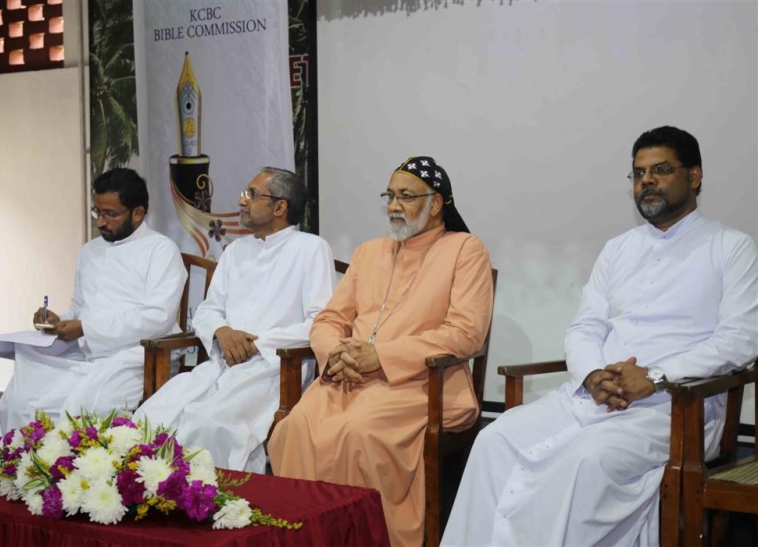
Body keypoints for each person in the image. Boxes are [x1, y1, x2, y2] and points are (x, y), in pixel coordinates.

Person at [442, 126, 758, 546]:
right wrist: (593, 375)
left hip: (676, 408)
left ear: (695, 176)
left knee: (585, 461)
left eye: (661, 170)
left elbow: (741, 339)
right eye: (638, 173)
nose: (647, 180)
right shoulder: (619, 248)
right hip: (595, 397)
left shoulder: (731, 247)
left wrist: (656, 376)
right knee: (493, 440)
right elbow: (585, 326)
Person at [268, 156, 494, 547]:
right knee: (294, 429)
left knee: (356, 434)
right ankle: (305, 538)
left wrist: (382, 357)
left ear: (436, 204)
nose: (393, 205)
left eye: (406, 196)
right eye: (389, 196)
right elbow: (329, 319)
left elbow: (465, 333)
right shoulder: (369, 252)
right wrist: (335, 354)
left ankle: (364, 538)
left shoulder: (465, 249)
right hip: (347, 376)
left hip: (419, 384)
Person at [134, 167, 334, 473]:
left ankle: (212, 498)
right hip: (221, 363)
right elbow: (208, 309)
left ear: (280, 207)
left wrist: (256, 344)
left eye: (252, 195)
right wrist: (222, 331)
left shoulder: (311, 248)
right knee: (151, 416)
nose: (242, 201)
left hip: (274, 370)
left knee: (209, 424)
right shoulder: (237, 250)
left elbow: (320, 322)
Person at [0, 168, 187, 432]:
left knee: (83, 408)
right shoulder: (89, 251)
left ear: (137, 213)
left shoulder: (161, 250)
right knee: (18, 401)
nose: (101, 222)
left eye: (110, 214)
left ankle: (70, 460)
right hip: (84, 353)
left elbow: (156, 318)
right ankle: (21, 458)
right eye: (98, 212)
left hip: (138, 357)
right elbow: (80, 307)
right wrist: (58, 320)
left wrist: (85, 328)